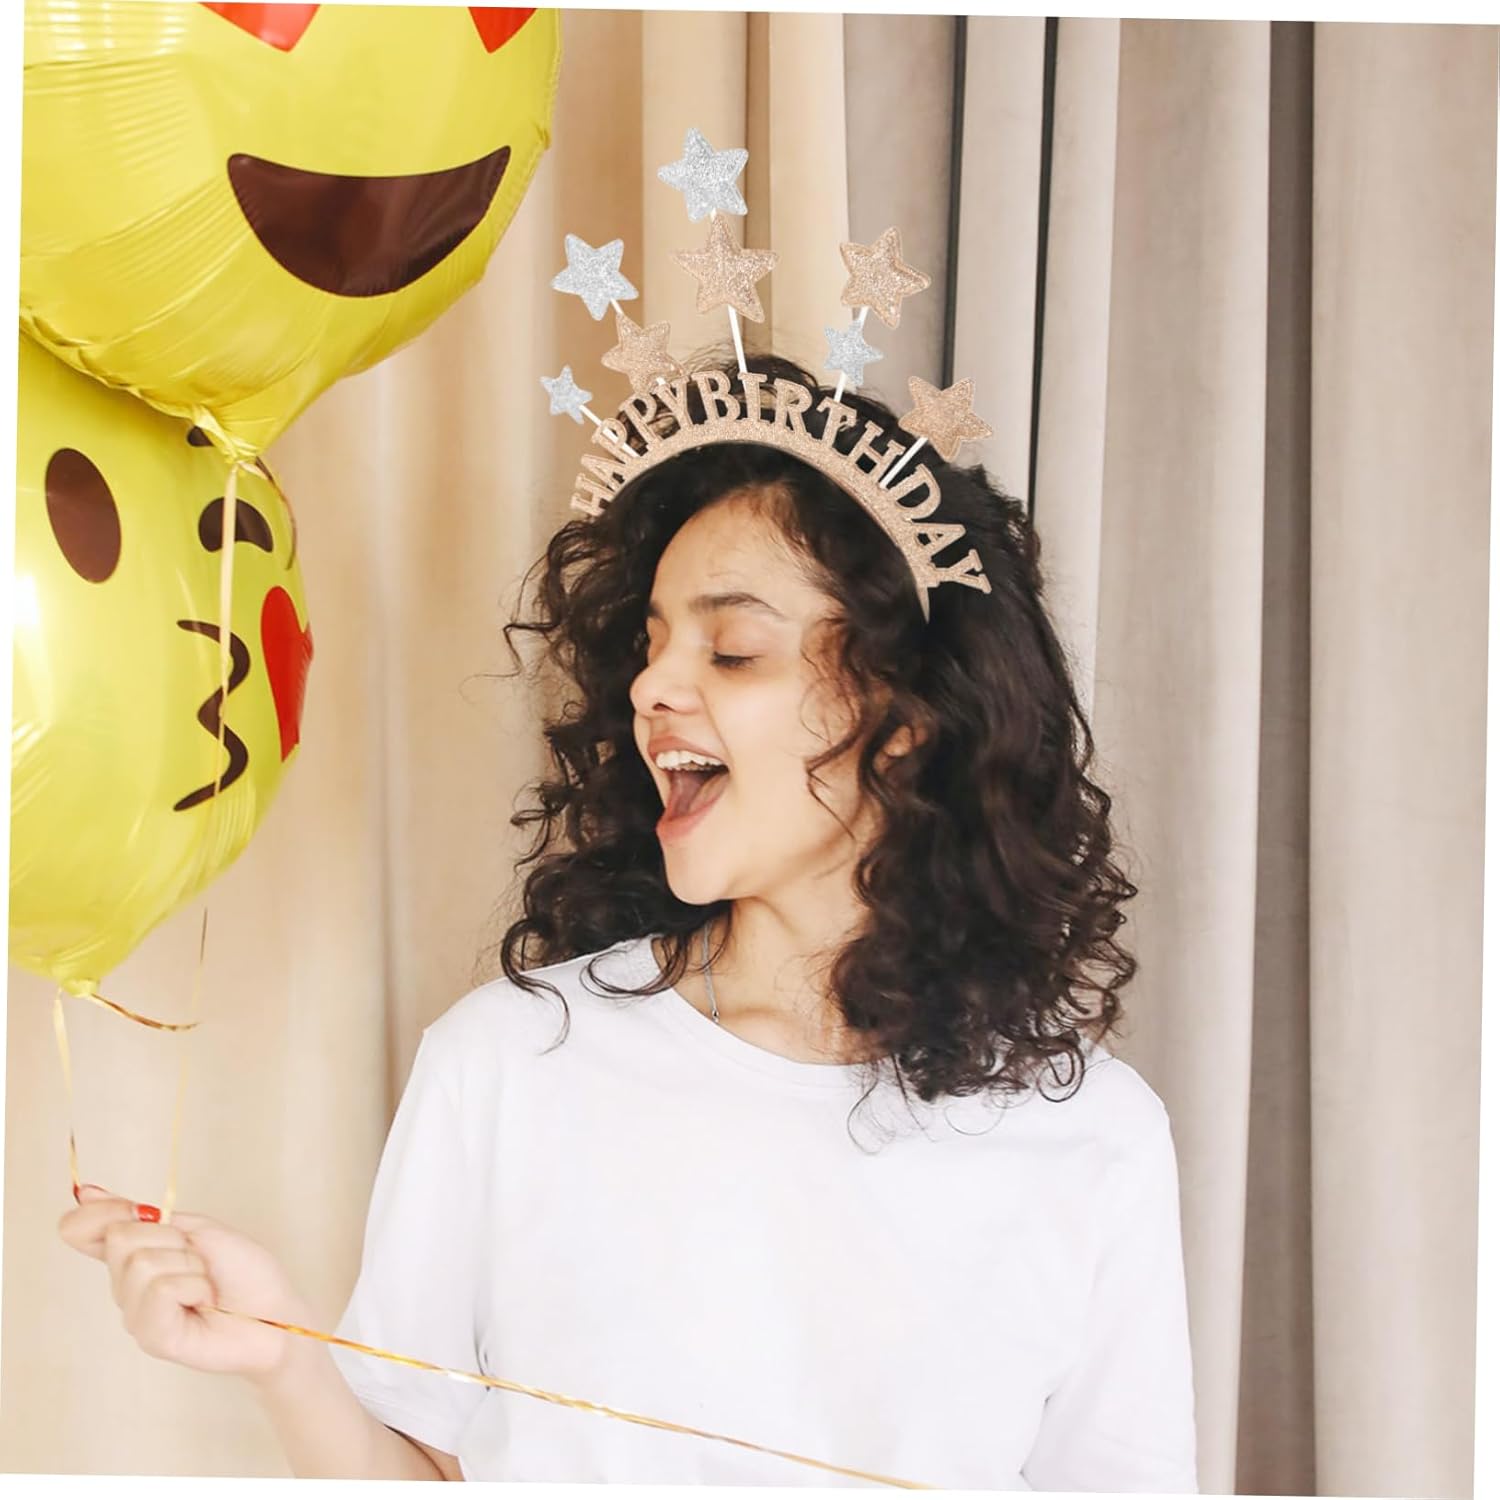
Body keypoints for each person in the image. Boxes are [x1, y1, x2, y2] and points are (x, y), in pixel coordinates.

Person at [58, 352, 1198, 1489]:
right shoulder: (509, 1058)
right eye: (651, 646)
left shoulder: (1095, 1137)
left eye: (732, 650)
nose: (653, 688)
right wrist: (282, 1359)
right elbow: (419, 1473)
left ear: (905, 724)